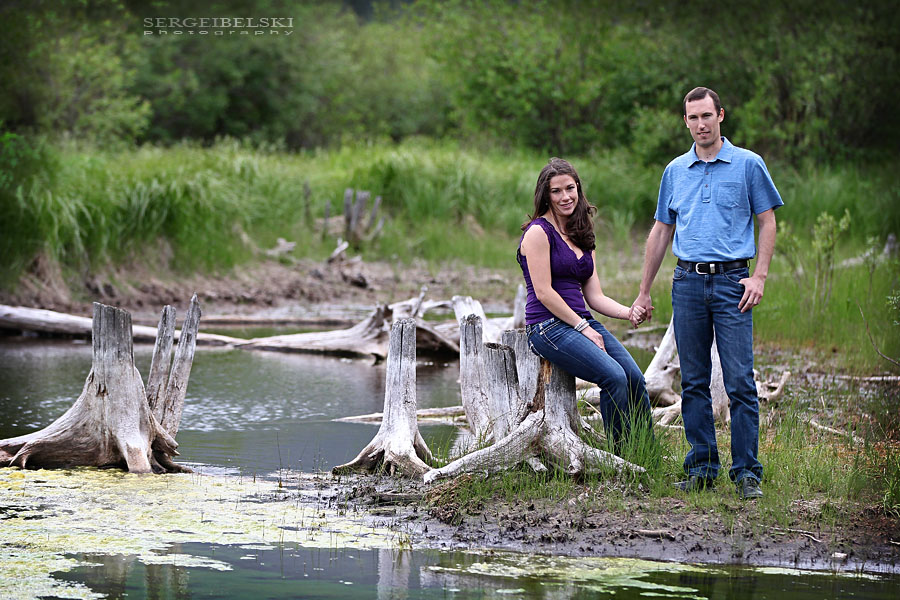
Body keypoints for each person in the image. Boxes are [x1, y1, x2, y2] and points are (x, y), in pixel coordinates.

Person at [632, 87, 783, 500]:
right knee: (694, 381)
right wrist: (644, 291)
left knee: (739, 382)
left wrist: (760, 277)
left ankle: (747, 473)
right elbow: (662, 231)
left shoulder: (749, 164)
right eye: (693, 118)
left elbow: (767, 221)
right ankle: (701, 468)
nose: (701, 124)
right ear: (686, 122)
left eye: (707, 116)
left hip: (734, 282)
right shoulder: (675, 171)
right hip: (688, 282)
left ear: (720, 115)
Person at [518, 157, 652, 451]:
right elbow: (544, 292)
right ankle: (622, 457)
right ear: (546, 195)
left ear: (578, 189)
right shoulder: (539, 233)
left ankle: (644, 452)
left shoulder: (581, 233)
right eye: (556, 191)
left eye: (570, 188)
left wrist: (628, 312)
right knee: (613, 377)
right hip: (547, 327)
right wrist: (583, 328)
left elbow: (594, 297)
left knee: (635, 379)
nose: (565, 196)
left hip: (580, 322)